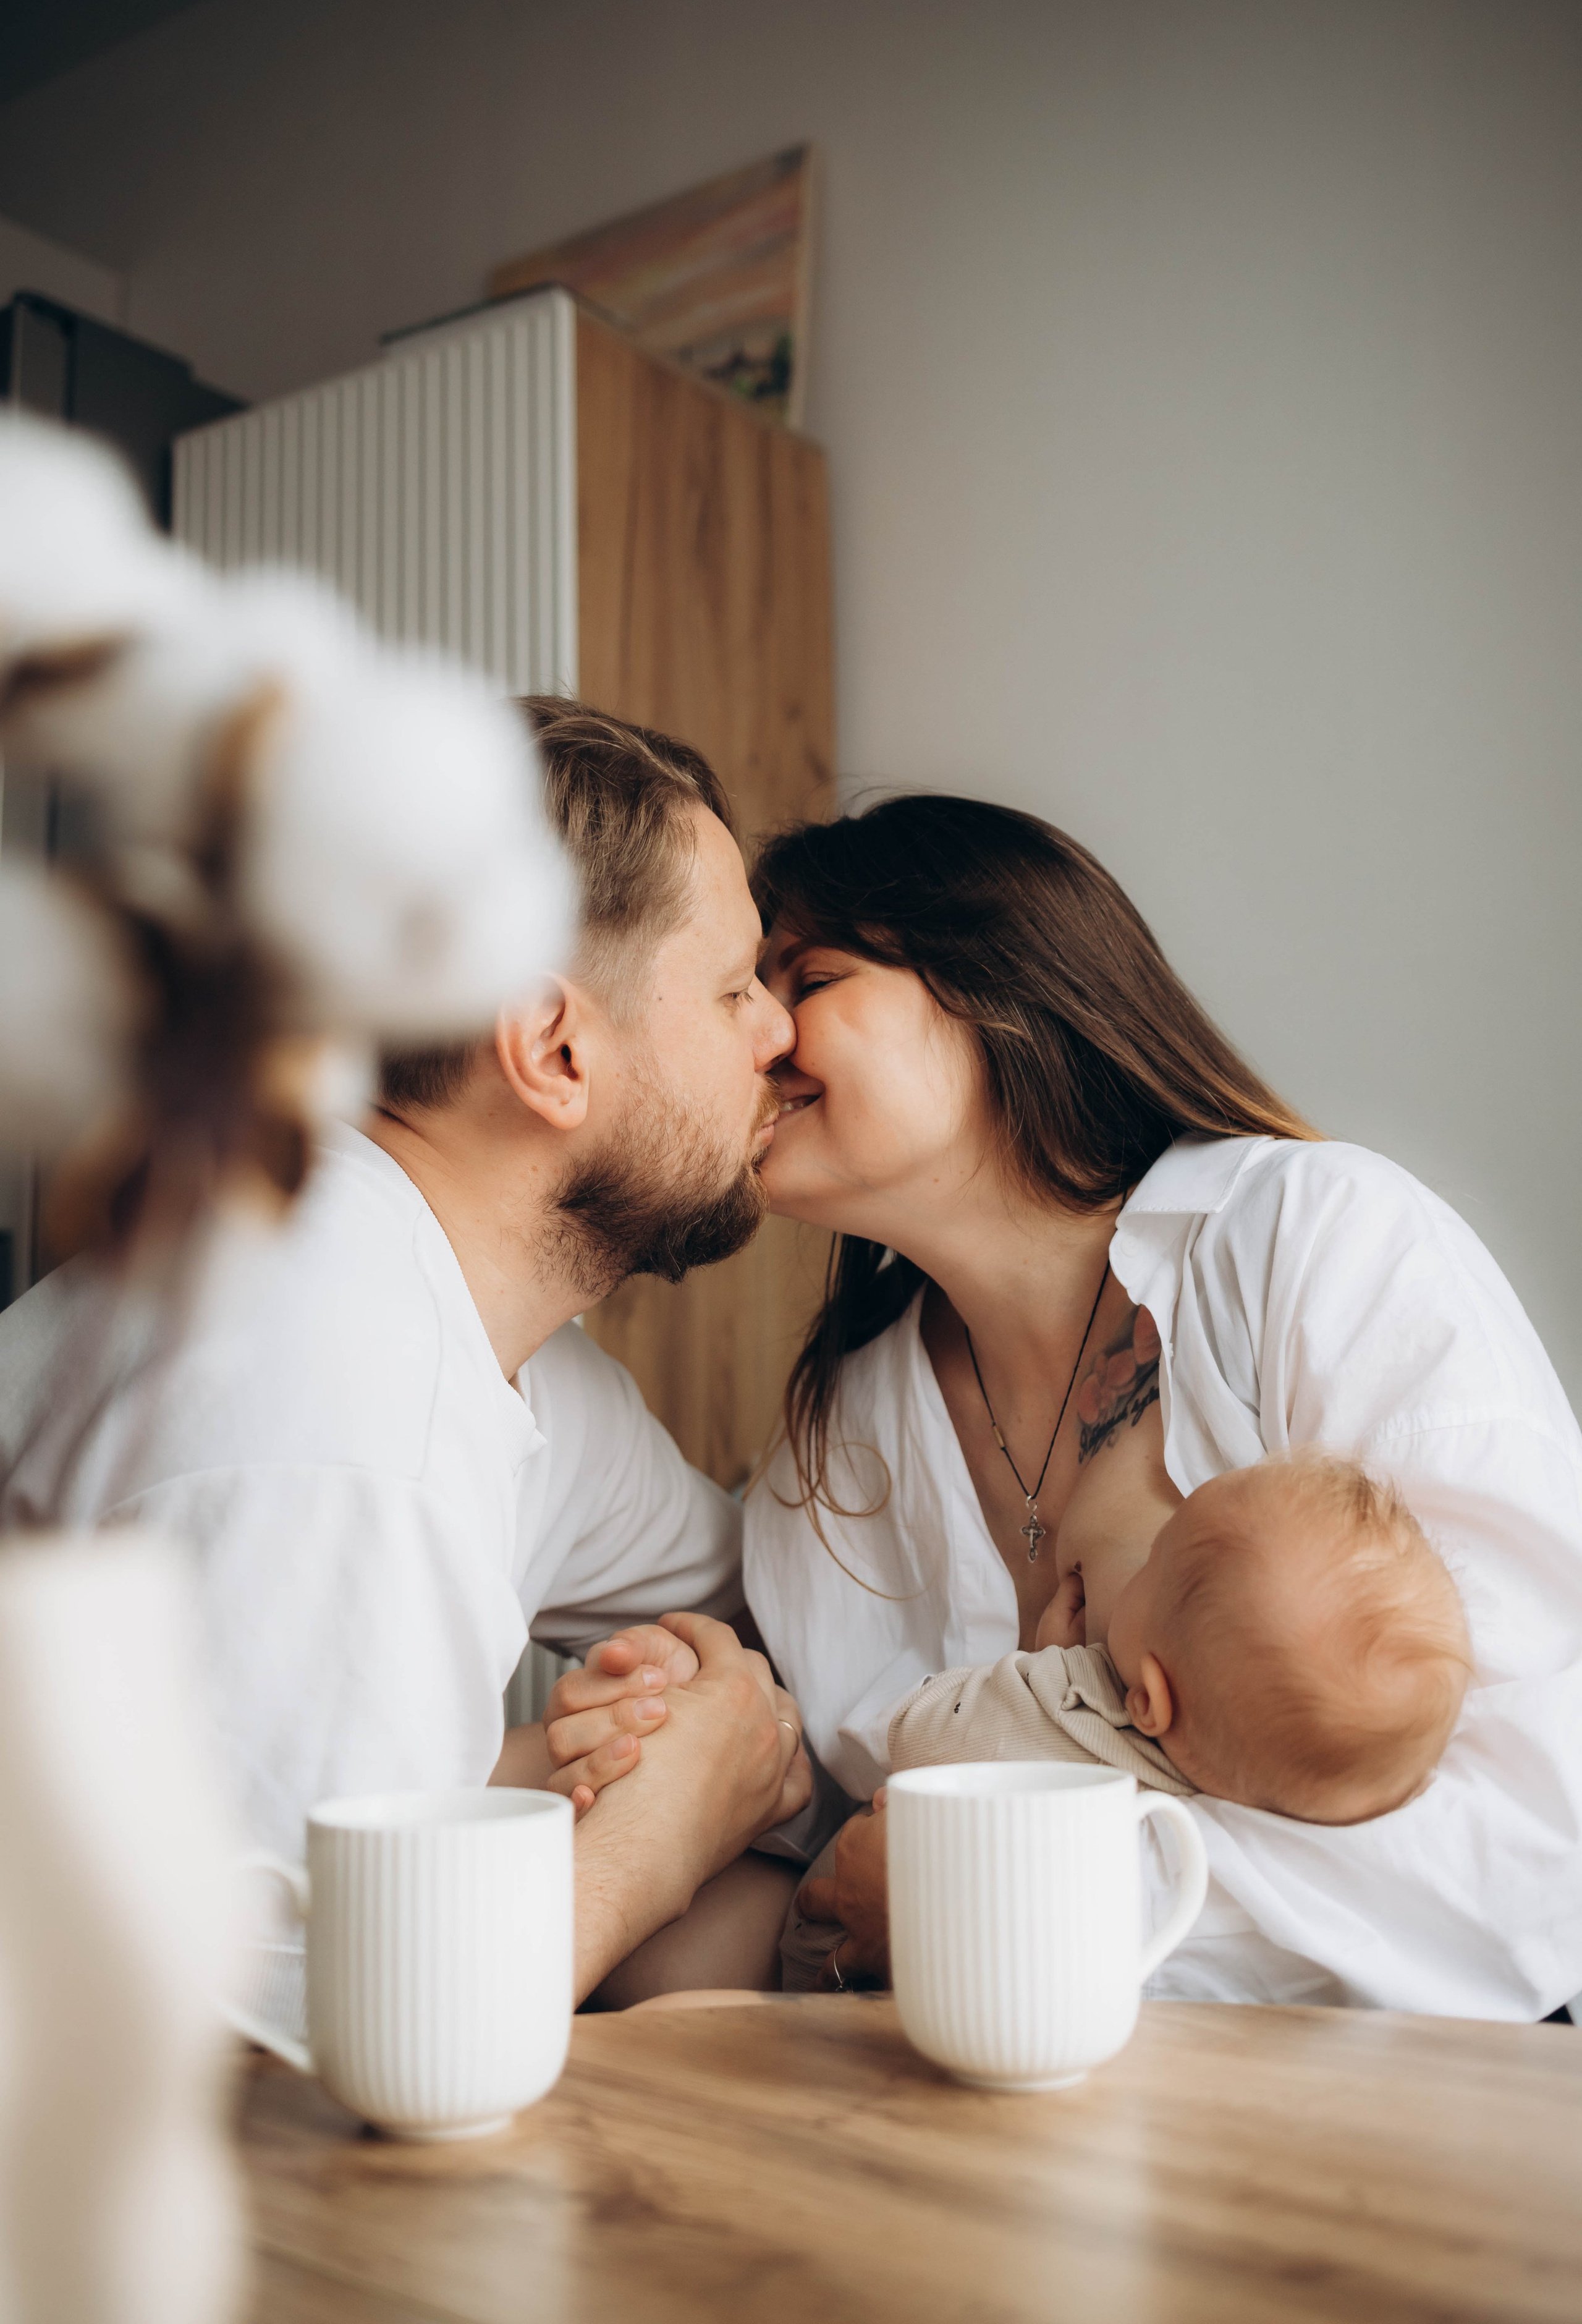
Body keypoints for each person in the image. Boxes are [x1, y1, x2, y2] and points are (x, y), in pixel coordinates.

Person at [0, 699, 811, 2004]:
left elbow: (763, 1617)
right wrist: (666, 1827)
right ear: (553, 1051)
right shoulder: (341, 1419)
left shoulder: (483, 1336)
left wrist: (631, 1740)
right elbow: (305, 2061)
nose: (778, 1032)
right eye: (731, 990)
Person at [734, 792, 1582, 2017]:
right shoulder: (826, 1456)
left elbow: (1536, 1836)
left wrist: (995, 1908)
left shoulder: (1317, 1240)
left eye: (802, 975)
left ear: (996, 984)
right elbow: (833, 1877)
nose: (752, 1032)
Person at [887, 1451, 1472, 1823]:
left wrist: (1043, 1671)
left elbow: (916, 1734)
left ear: (1147, 1702)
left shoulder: (1074, 1702)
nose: (1139, 1564)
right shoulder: (1261, 1809)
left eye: (1152, 1564)